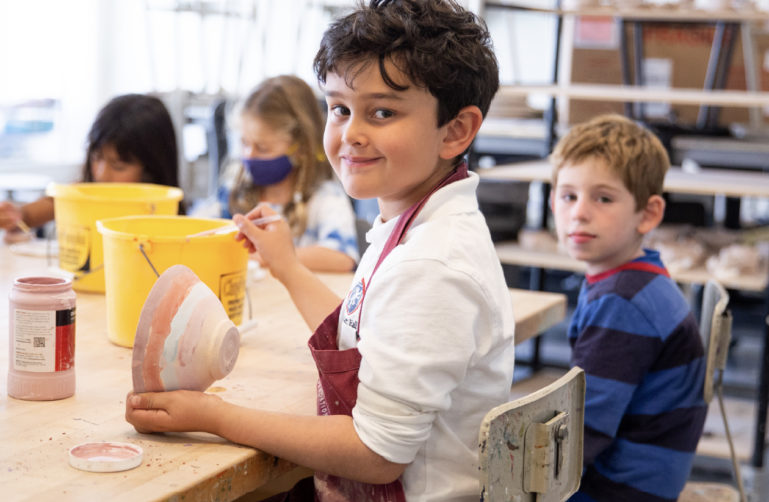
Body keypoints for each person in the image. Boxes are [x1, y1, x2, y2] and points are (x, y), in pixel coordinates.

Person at [125, 1, 515, 501]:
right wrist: (286, 266)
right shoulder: (416, 220)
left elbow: (376, 454)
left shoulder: (431, 264)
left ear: (456, 130)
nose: (351, 133)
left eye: (382, 112)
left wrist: (214, 416)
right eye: (339, 108)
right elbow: (362, 339)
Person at [549, 113, 707, 502]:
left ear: (648, 213)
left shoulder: (623, 301)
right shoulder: (639, 275)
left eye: (603, 198)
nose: (579, 212)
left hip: (621, 489)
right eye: (568, 196)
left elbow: (585, 432)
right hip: (647, 476)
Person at [216, 75, 359, 272]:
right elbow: (196, 230)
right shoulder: (233, 193)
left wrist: (271, 256)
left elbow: (343, 258)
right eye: (245, 143)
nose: (250, 156)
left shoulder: (324, 198)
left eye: (263, 148)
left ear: (300, 148)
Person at [0, 93, 180, 241]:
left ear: (152, 169)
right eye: (96, 157)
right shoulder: (84, 194)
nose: (102, 174)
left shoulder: (165, 213)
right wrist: (18, 215)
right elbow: (49, 206)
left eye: (118, 166)